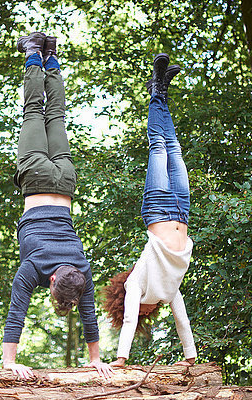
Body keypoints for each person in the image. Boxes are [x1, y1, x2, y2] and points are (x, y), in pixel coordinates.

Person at [2, 32, 113, 379]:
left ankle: (51, 55)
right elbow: (16, 312)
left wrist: (96, 359)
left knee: (57, 116)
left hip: (65, 180)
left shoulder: (82, 269)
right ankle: (34, 51)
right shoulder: (34, 267)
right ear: (52, 282)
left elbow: (90, 315)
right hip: (35, 177)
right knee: (34, 110)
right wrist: (8, 362)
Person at [103, 53, 197, 368]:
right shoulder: (169, 292)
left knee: (158, 145)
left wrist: (120, 359)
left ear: (122, 301)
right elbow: (182, 321)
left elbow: (129, 321)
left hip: (157, 210)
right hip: (182, 212)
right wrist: (190, 358)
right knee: (174, 147)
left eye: (136, 310)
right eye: (146, 314)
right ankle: (162, 93)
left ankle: (156, 92)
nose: (142, 312)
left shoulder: (135, 285)